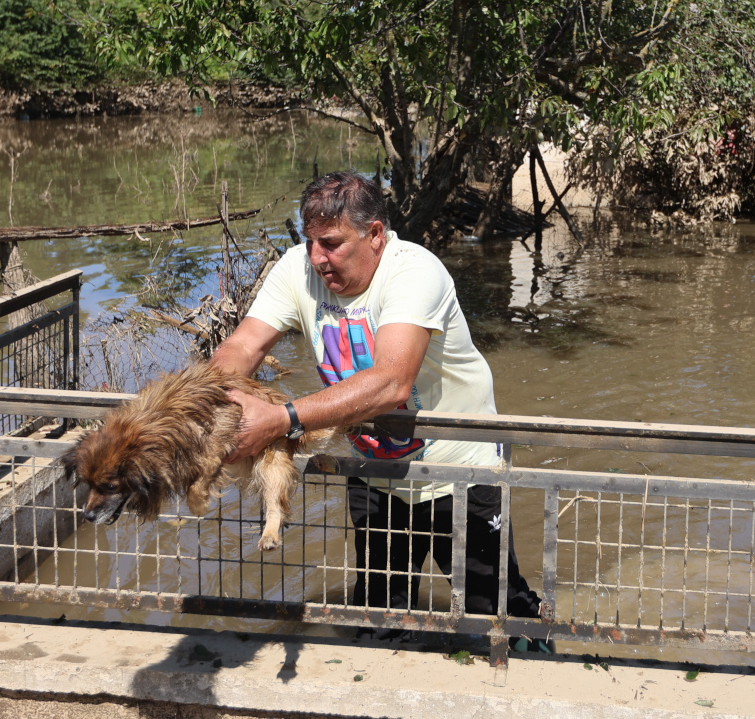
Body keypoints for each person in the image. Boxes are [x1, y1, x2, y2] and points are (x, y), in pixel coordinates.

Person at [210, 170, 543, 635]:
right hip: (374, 470)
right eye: (310, 242)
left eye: (330, 243)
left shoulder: (413, 270)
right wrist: (202, 402)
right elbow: (243, 348)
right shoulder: (296, 269)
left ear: (374, 235)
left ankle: (546, 658)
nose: (317, 258)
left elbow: (391, 383)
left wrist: (282, 419)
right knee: (380, 616)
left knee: (497, 613)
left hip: (461, 469)